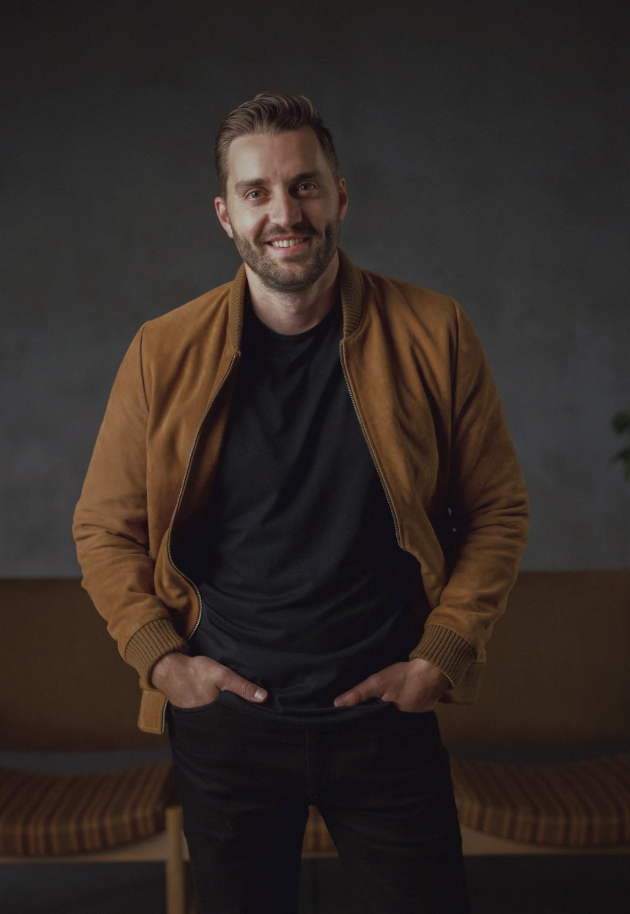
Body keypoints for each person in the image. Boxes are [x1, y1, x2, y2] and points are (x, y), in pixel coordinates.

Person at [74, 92, 528, 914]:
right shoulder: (161, 351)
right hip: (228, 728)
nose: (285, 212)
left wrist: (446, 650)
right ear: (226, 214)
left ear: (340, 196)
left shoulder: (435, 331)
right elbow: (105, 528)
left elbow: (497, 509)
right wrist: (161, 659)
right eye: (258, 192)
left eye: (305, 186)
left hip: (386, 716)